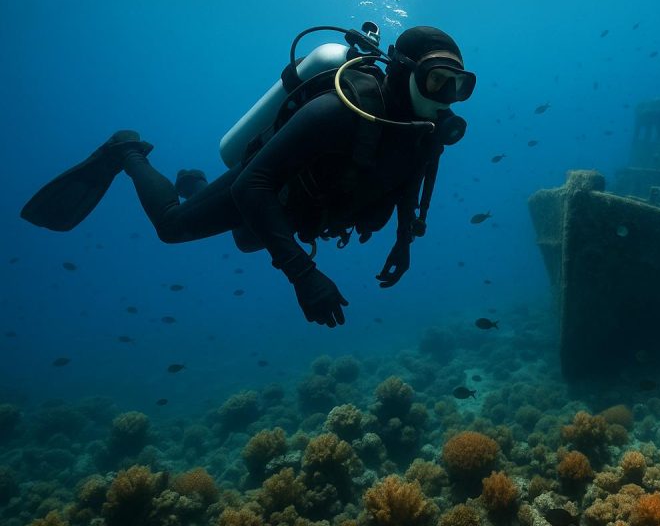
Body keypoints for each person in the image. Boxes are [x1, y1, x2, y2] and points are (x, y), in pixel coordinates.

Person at [21, 25, 476, 327]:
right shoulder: (337, 111)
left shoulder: (426, 129)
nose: (449, 99)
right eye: (439, 81)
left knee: (244, 239)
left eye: (460, 86)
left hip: (301, 205)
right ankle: (127, 150)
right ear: (404, 72)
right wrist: (303, 275)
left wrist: (403, 240)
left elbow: (409, 178)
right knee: (172, 227)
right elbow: (249, 185)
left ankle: (196, 183)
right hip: (266, 182)